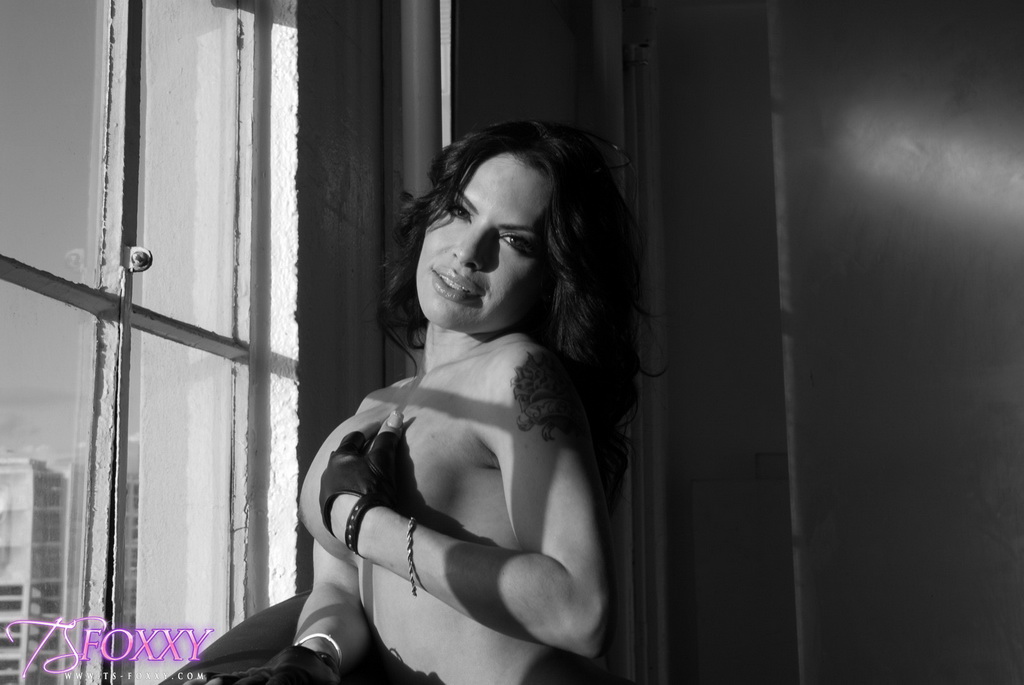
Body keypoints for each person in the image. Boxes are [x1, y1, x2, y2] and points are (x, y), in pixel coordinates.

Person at [203, 120, 643, 685]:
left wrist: (372, 527)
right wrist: (311, 659)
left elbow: (582, 611)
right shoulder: (374, 406)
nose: (468, 252)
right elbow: (339, 587)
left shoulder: (517, 373)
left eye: (515, 241)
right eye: (459, 211)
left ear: (555, 277)